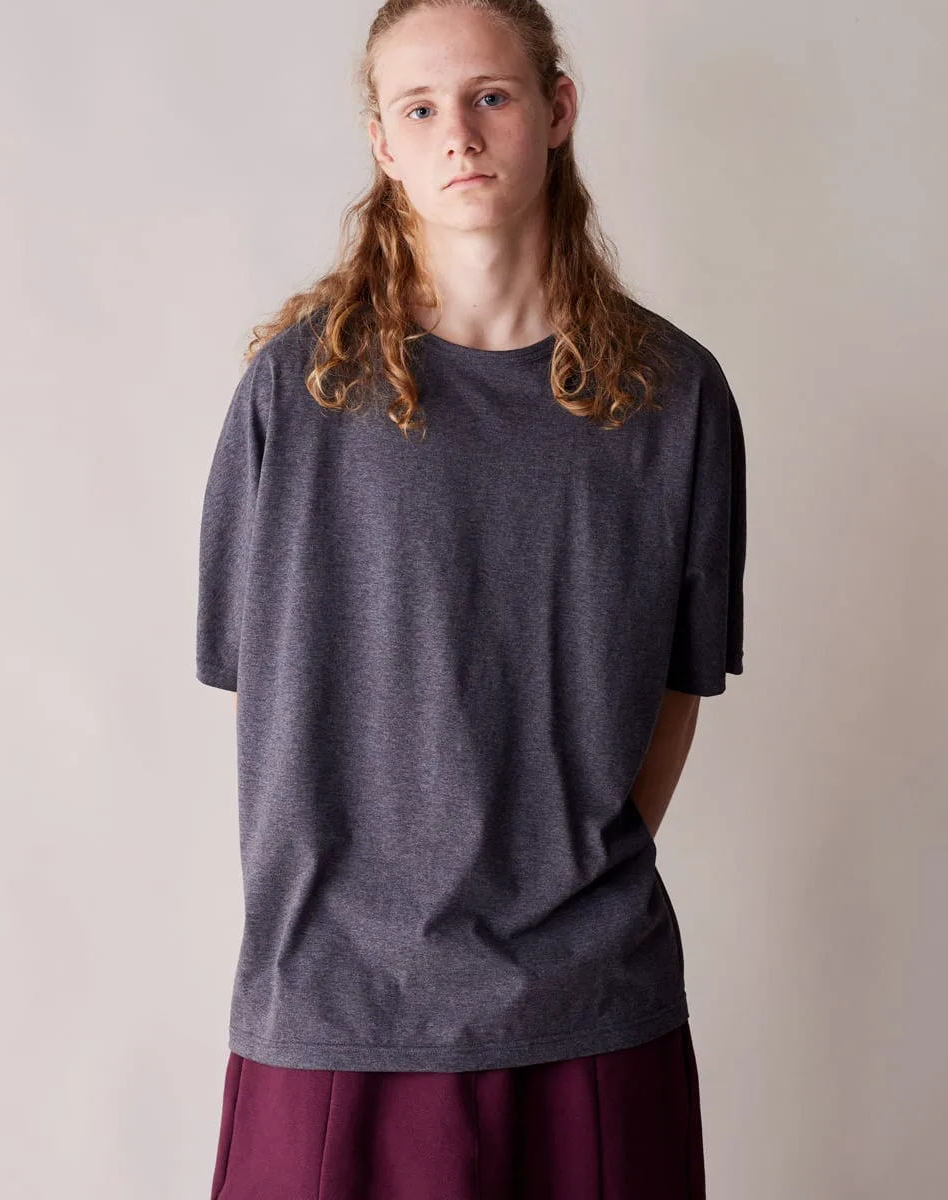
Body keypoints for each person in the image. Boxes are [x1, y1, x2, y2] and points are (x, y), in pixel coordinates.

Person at [196, 1, 746, 1197]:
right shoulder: (293, 395)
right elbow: (261, 691)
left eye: (491, 95)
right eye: (420, 107)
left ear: (556, 110)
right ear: (383, 144)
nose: (459, 132)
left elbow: (676, 688)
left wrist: (562, 874)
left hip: (592, 1010)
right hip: (335, 1009)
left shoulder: (675, 397)